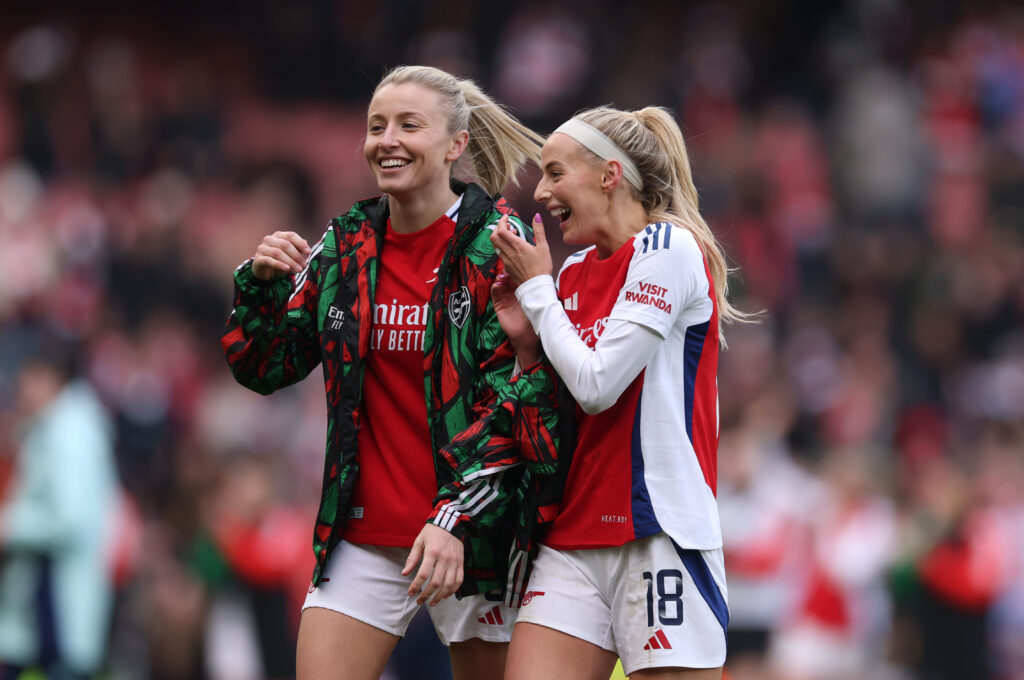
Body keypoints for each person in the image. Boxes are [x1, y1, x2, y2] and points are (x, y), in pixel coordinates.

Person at [221, 65, 553, 680]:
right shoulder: (345, 244)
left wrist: (456, 519)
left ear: (455, 145)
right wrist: (261, 288)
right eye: (376, 127)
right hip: (364, 535)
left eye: (408, 125)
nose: (386, 140)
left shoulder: (496, 246)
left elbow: (515, 398)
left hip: (470, 542)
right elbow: (265, 366)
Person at [490, 105, 749, 680]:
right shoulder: (575, 269)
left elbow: (597, 385)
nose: (543, 193)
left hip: (658, 532)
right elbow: (564, 399)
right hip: (574, 536)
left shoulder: (669, 248)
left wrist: (537, 291)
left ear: (610, 175)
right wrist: (530, 347)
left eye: (556, 173)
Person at [0, 335, 121, 680]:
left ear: (48, 377)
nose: (20, 388)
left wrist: (8, 526)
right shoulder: (64, 425)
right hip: (48, 613)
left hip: (56, 612)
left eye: (26, 378)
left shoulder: (69, 433)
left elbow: (69, 520)